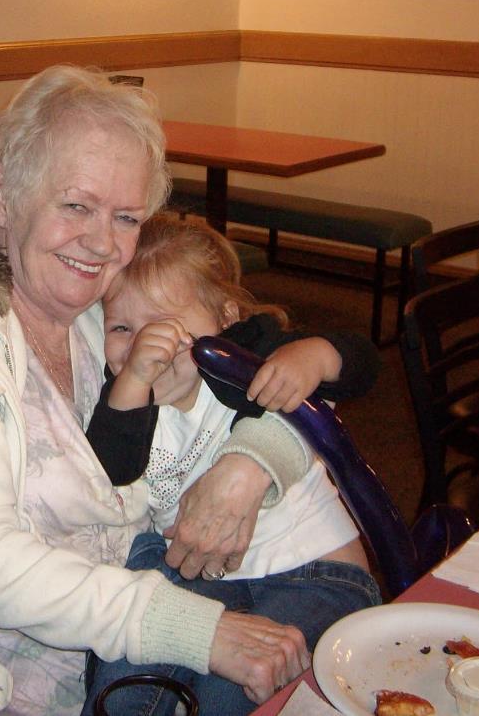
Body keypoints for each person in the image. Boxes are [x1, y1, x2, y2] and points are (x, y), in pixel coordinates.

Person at [0, 66, 315, 715]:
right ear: (3, 190)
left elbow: (271, 382)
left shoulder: (98, 314)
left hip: (127, 663)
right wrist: (195, 629)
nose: (102, 243)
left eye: (126, 217)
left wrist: (250, 464)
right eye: (76, 206)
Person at [81, 213, 381, 714]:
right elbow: (109, 467)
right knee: (122, 672)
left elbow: (361, 361)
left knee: (228, 696)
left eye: (163, 324)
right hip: (196, 575)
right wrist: (132, 381)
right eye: (121, 327)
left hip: (313, 573)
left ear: (224, 317)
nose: (144, 346)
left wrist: (315, 356)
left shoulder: (243, 358)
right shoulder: (126, 401)